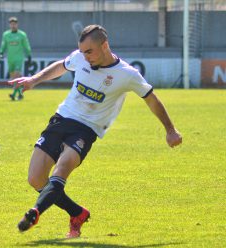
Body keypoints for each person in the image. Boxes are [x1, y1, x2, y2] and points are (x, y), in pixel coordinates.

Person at [9, 25, 182, 238]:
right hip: (61, 119)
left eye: (89, 51)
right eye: (82, 52)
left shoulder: (127, 74)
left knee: (61, 169)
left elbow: (152, 100)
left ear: (105, 45)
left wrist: (170, 130)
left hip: (87, 129)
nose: (85, 56)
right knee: (36, 179)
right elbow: (62, 66)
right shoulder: (80, 58)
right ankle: (77, 213)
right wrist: (34, 80)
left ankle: (35, 212)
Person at [0, 16, 32, 101]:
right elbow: (3, 45)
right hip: (10, 59)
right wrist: (1, 53)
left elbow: (26, 45)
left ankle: (13, 94)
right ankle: (20, 94)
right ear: (10, 25)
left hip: (18, 59)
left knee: (17, 75)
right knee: (14, 78)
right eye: (11, 24)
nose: (13, 25)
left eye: (15, 24)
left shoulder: (22, 35)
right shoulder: (6, 34)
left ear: (17, 24)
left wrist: (29, 55)